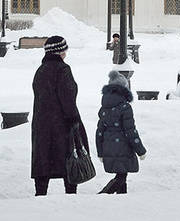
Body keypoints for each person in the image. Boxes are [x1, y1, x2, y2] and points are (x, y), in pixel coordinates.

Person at [31, 35, 84, 196]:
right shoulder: (63, 70)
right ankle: (70, 193)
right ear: (59, 51)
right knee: (68, 159)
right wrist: (74, 119)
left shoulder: (40, 70)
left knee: (43, 158)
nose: (66, 53)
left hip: (42, 124)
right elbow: (67, 97)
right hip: (62, 124)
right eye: (64, 50)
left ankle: (40, 193)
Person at [95, 70, 146, 194]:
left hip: (108, 146)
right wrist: (141, 150)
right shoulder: (125, 107)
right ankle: (103, 195)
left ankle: (122, 199)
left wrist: (100, 152)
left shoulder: (104, 107)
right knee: (121, 177)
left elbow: (99, 131)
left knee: (122, 175)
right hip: (122, 146)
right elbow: (130, 131)